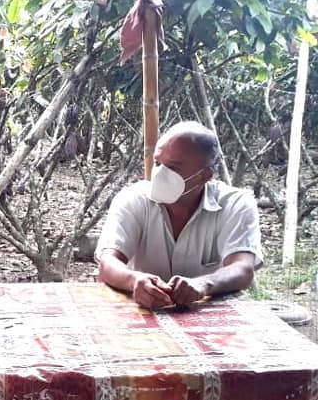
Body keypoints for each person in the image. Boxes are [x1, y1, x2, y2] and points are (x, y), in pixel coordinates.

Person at [95, 121, 262, 309]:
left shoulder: (235, 204)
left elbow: (242, 268)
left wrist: (203, 284)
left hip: (206, 314)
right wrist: (134, 280)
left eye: (173, 168)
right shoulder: (132, 199)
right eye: (157, 163)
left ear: (204, 176)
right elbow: (108, 262)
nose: (160, 173)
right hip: (141, 310)